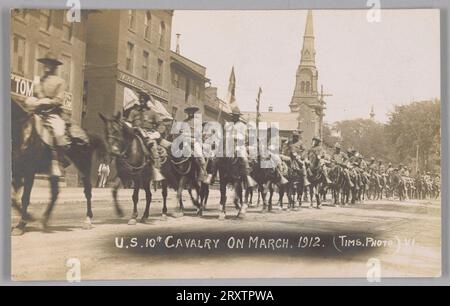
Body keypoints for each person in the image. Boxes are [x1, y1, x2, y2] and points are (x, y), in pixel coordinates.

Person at [24, 52, 69, 177]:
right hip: (37, 111)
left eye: (50, 64)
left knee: (59, 132)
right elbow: (34, 94)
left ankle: (57, 161)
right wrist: (32, 100)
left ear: (54, 66)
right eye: (45, 64)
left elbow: (59, 99)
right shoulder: (39, 80)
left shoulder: (60, 82)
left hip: (52, 113)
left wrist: (47, 101)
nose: (47, 66)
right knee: (23, 126)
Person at [126, 89, 164, 181]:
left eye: (144, 98)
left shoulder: (152, 113)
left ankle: (156, 170)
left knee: (153, 147)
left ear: (147, 100)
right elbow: (128, 122)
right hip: (135, 133)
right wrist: (128, 126)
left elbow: (161, 125)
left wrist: (156, 133)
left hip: (148, 135)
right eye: (140, 98)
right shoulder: (133, 112)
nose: (141, 100)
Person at [229, 105, 257, 188]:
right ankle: (212, 174)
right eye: (233, 115)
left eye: (235, 116)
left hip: (239, 145)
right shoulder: (228, 125)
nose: (234, 117)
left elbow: (245, 136)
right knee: (216, 157)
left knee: (244, 158)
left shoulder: (242, 126)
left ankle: (248, 175)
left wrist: (235, 137)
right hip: (229, 145)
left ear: (238, 116)